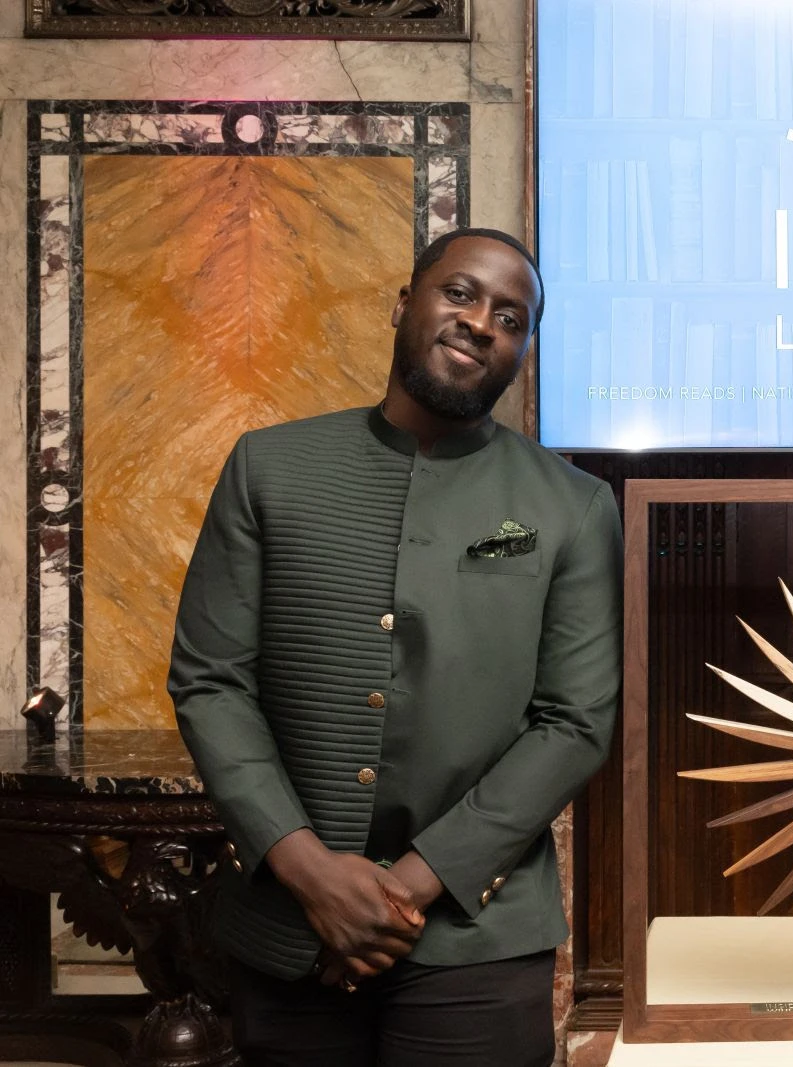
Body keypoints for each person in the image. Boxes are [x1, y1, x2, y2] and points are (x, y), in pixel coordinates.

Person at [168, 228, 621, 1066]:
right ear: (403, 303)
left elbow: (575, 721)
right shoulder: (269, 467)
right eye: (461, 293)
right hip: (287, 926)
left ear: (523, 352)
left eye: (512, 318)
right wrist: (310, 871)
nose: (482, 322)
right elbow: (210, 681)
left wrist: (400, 893)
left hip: (478, 938)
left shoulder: (574, 506)